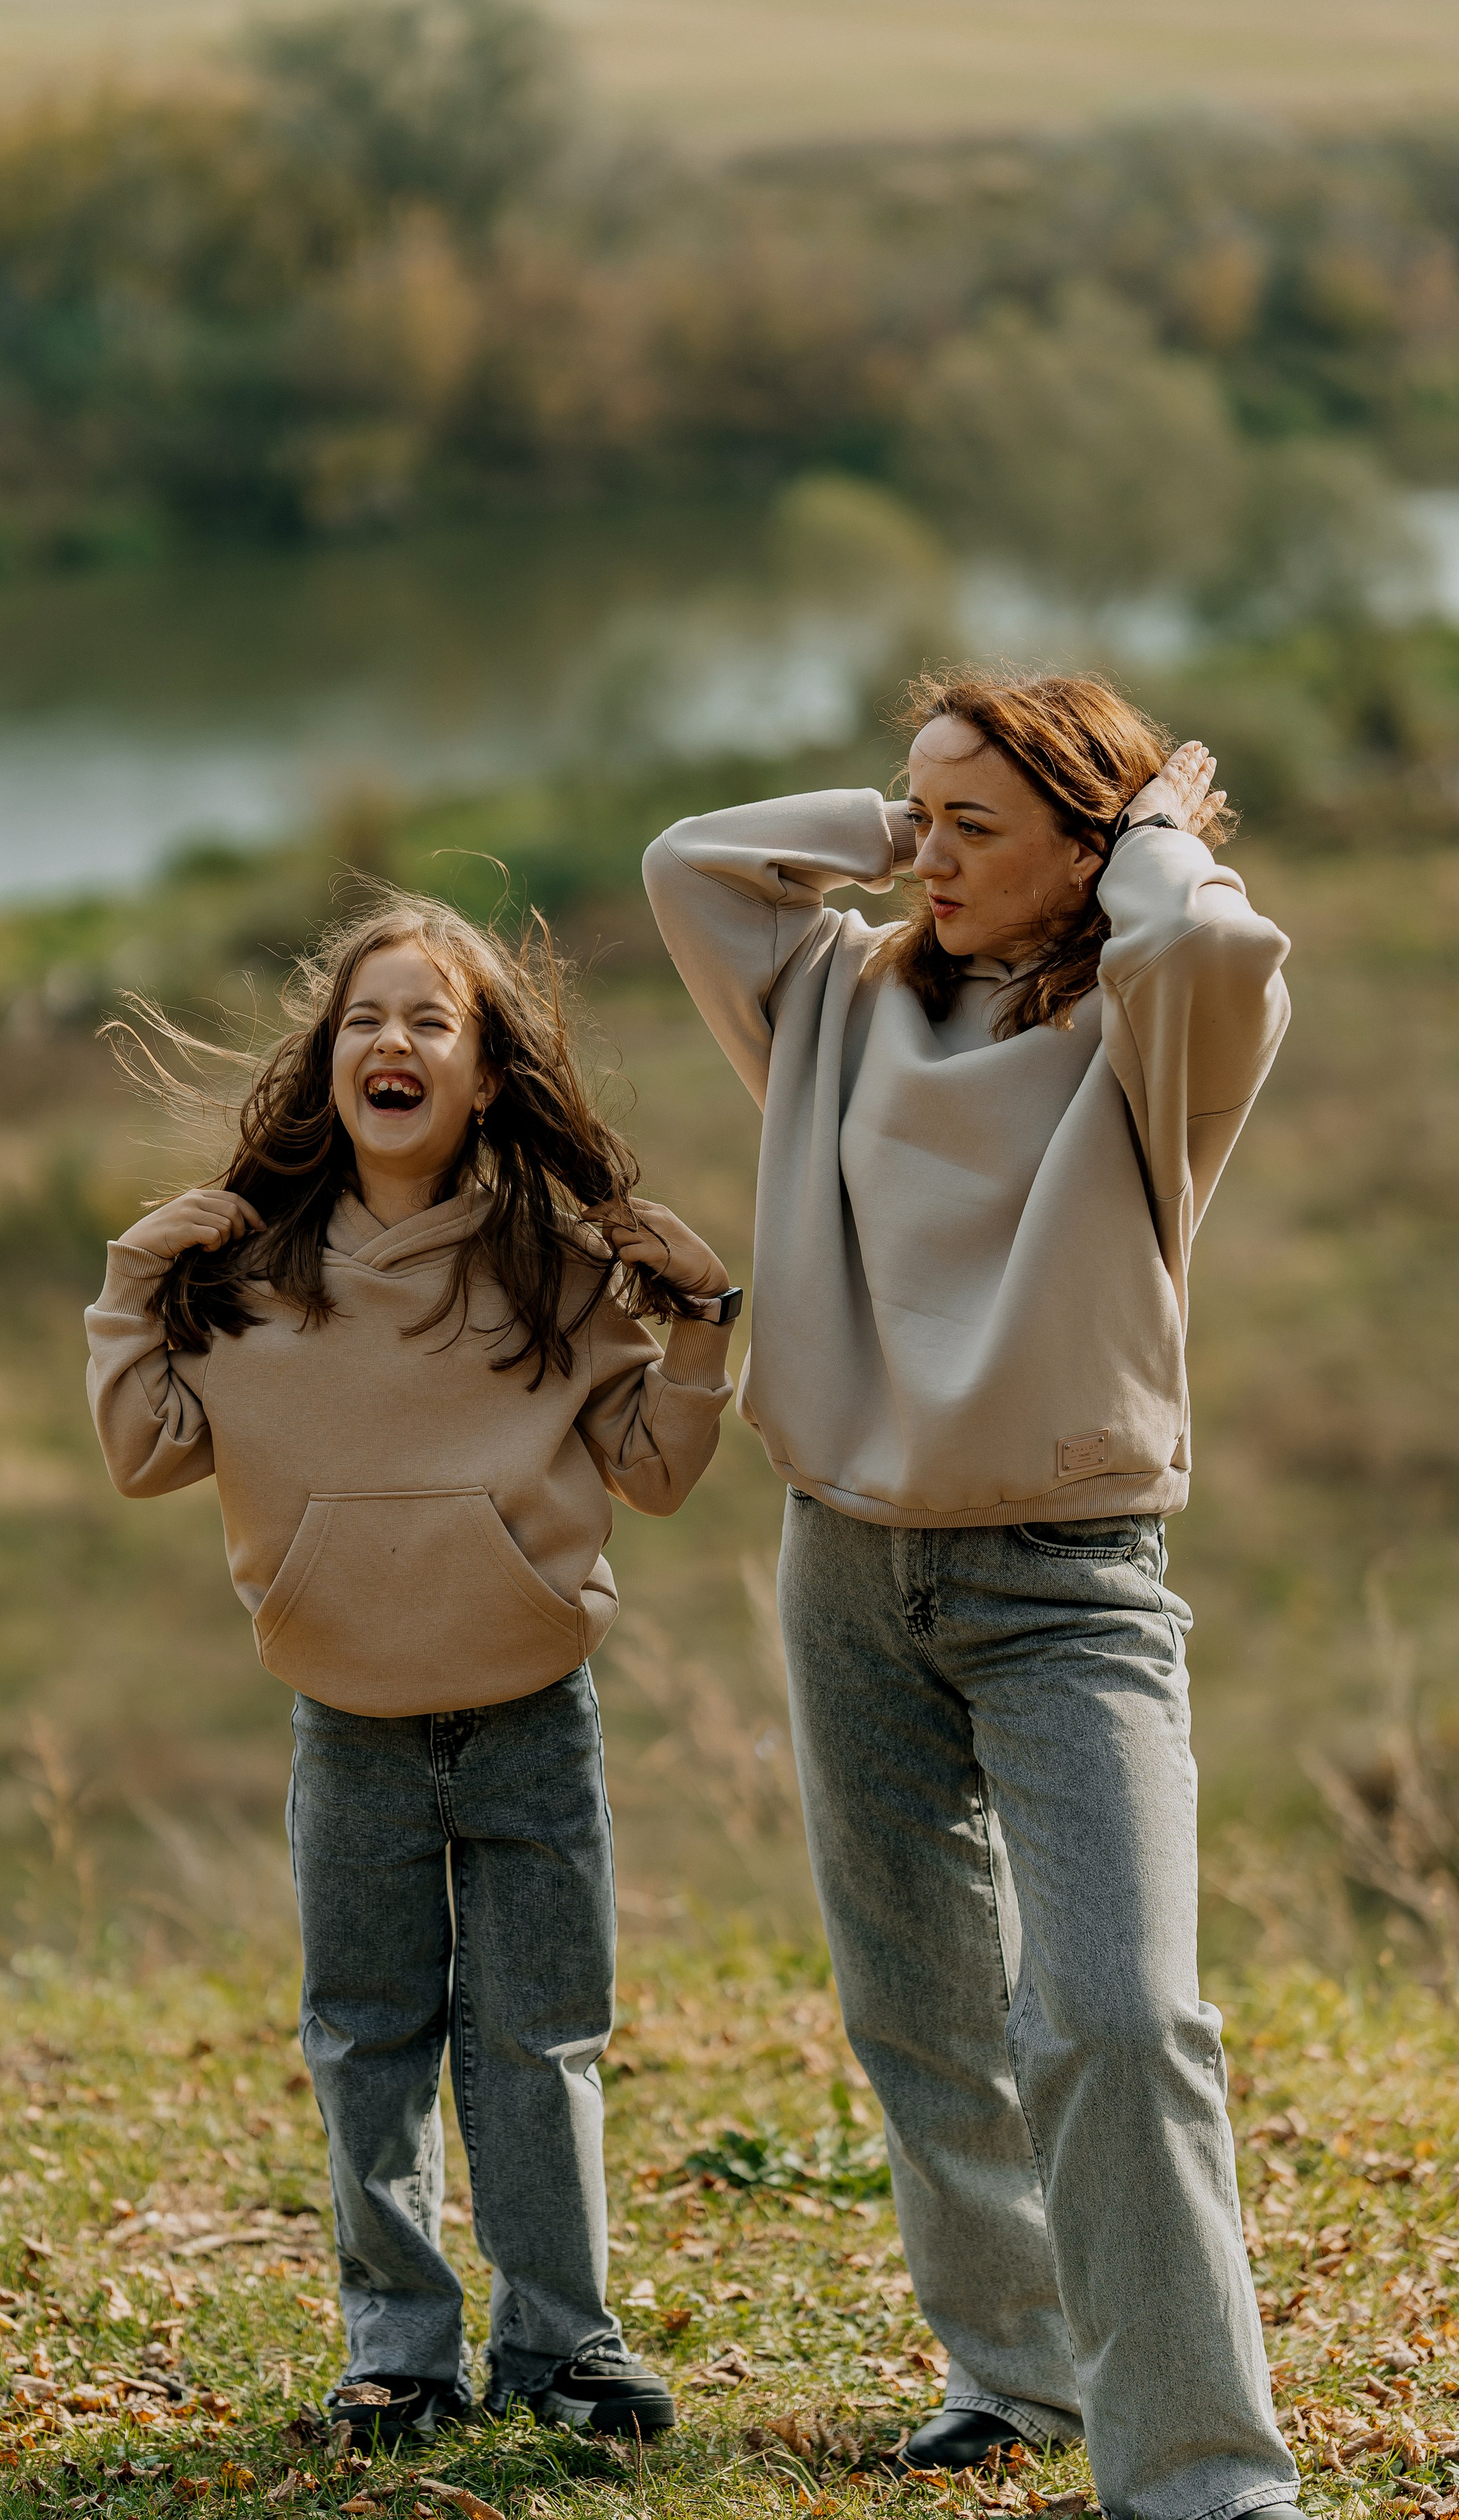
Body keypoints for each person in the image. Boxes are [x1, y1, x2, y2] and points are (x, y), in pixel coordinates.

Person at [643, 670, 1300, 2520]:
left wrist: (1150, 835)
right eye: (910, 824)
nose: (923, 859)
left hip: (1065, 1579)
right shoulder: (837, 1002)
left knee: (1115, 2014)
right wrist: (925, 812)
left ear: (1092, 853)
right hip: (842, 1557)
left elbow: (1219, 955)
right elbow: (686, 866)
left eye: (973, 832)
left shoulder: (1152, 1043)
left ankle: (1201, 2476)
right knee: (919, 2009)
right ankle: (1014, 2377)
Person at [84, 888, 741, 2444]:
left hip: (530, 1717)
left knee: (539, 2036)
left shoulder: (553, 1267)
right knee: (366, 2041)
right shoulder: (248, 1276)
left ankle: (562, 2347)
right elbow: (142, 1452)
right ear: (327, 1065)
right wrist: (126, 1288)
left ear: (484, 1072)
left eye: (429, 1020)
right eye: (364, 1019)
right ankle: (398, 2352)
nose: (393, 1041)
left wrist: (703, 1321)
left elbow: (651, 1472)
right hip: (349, 1726)